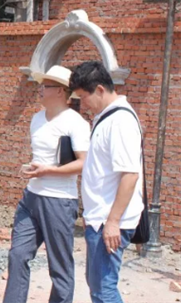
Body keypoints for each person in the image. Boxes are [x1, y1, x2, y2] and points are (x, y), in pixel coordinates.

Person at [3, 65, 90, 303]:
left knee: (59, 267)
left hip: (59, 201)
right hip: (31, 198)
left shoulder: (76, 123)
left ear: (61, 91)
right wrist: (33, 169)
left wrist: (48, 171)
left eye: (45, 86)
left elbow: (84, 163)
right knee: (17, 255)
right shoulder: (37, 119)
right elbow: (41, 158)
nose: (39, 89)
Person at [69, 61, 143, 303]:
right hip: (100, 218)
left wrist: (113, 222)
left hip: (108, 222)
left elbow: (130, 174)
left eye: (83, 97)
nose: (82, 104)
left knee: (103, 289)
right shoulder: (106, 117)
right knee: (99, 286)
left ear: (100, 89)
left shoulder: (120, 122)